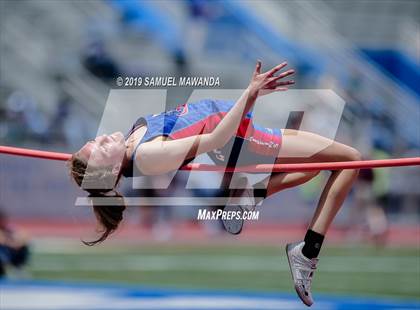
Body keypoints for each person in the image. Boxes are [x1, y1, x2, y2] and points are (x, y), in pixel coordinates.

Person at [69, 61, 361, 307]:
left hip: (242, 131)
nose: (102, 137)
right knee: (350, 159)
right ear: (111, 168)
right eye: (99, 147)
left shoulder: (134, 143)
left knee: (316, 166)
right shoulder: (148, 154)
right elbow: (214, 140)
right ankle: (307, 253)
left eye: (94, 139)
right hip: (240, 140)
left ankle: (254, 194)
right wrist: (250, 93)